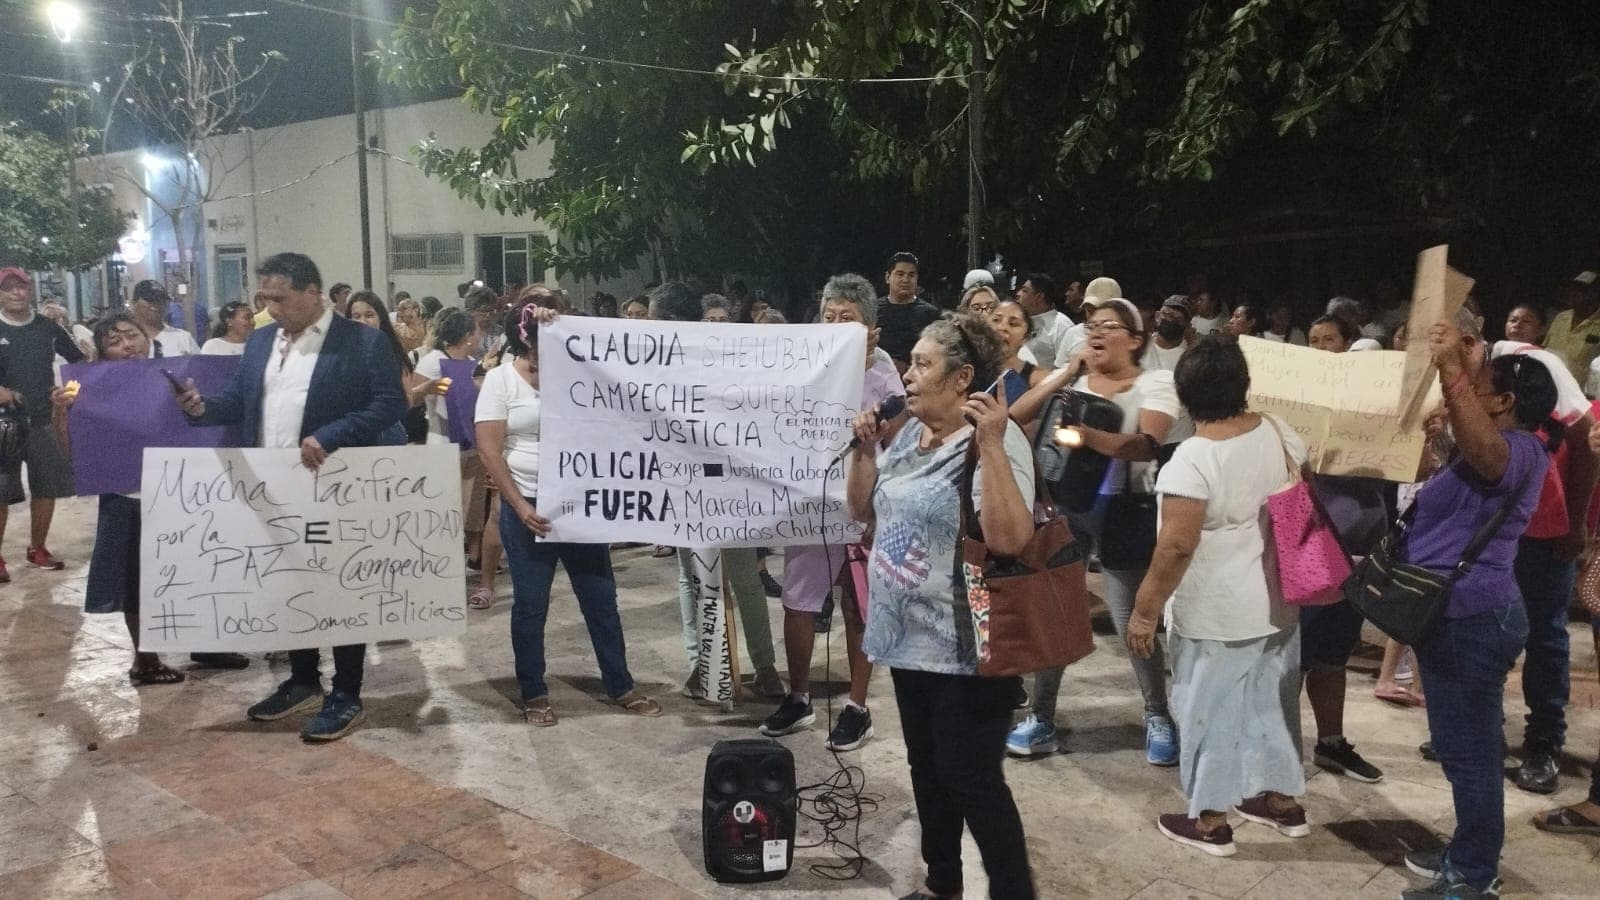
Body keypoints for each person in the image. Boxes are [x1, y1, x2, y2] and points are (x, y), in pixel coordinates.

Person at [175, 252, 407, 742]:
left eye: (280, 298)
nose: (270, 308)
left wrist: (333, 433)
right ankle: (303, 678)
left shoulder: (361, 343)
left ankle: (346, 692)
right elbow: (241, 400)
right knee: (289, 583)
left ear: (312, 293)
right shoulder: (261, 342)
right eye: (265, 298)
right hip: (272, 484)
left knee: (340, 588)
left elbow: (390, 402)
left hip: (334, 485)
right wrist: (201, 408)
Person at [850, 311, 1038, 900]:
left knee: (971, 779)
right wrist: (863, 451)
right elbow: (863, 512)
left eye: (922, 364)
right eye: (910, 362)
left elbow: (1011, 539)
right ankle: (943, 884)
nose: (907, 374)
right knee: (927, 773)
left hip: (967, 647)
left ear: (962, 379)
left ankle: (1013, 892)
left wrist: (991, 444)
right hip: (906, 641)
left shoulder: (996, 441)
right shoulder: (906, 433)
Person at [1125, 335, 1308, 858]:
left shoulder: (1192, 459)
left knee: (1208, 711)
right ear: (1243, 386)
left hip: (1217, 609)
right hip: (1278, 599)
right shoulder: (1280, 432)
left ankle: (1209, 819)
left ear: (1185, 396)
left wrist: (1144, 612)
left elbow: (1177, 545)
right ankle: (1280, 803)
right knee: (1271, 706)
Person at [1396, 321, 1558, 900]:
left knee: (1471, 756)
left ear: (1504, 401)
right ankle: (1466, 851)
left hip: (1472, 618)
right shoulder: (1494, 445)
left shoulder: (1517, 449)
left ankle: (1473, 875)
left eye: (1477, 379)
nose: (1463, 382)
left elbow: (1487, 457)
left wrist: (1449, 370)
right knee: (1464, 747)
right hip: (1458, 615)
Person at [473, 303, 662, 726]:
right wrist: (519, 507)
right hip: (528, 510)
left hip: (580, 508)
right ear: (526, 339)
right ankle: (534, 691)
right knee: (530, 605)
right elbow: (489, 448)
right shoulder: (502, 381)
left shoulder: (580, 374)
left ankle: (620, 684)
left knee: (601, 600)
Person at [1009, 298, 1180, 765]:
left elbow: (1145, 445)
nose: (1096, 332)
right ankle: (1042, 717)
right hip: (1069, 510)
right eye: (1091, 325)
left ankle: (1158, 715)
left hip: (1128, 511)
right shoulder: (1076, 380)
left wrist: (1084, 437)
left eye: (1109, 326)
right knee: (1057, 614)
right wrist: (1065, 374)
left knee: (1132, 621)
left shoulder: (1157, 382)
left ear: (1136, 339)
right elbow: (1016, 416)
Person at [55, 313, 250, 684]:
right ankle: (144, 660)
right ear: (102, 352)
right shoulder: (88, 389)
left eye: (133, 336)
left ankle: (206, 643)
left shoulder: (175, 375)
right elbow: (74, 453)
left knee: (198, 569)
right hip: (127, 497)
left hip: (182, 493)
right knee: (137, 581)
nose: (128, 345)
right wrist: (61, 412)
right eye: (115, 341)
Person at [760, 273, 903, 750]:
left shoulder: (883, 371)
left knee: (858, 605)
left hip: (862, 509)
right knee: (798, 602)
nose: (837, 325)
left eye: (849, 318)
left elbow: (896, 436)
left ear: (871, 330)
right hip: (808, 503)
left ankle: (857, 709)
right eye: (829, 316)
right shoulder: (799, 360)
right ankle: (798, 698)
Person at [1298, 321, 1390, 783]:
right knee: (1293, 651)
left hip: (1361, 546)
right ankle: (1274, 754)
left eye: (1329, 340)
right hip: (1308, 538)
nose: (1320, 348)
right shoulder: (1295, 407)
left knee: (1334, 651)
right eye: (1312, 341)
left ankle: (1331, 744)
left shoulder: (1377, 412)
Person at [0, 267, 84, 578]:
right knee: (1, 491)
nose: (15, 293)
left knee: (45, 488)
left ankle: (37, 548)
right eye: (8, 288)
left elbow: (80, 363)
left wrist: (69, 393)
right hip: (3, 426)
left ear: (30, 290)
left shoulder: (48, 328)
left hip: (42, 422)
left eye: (20, 287)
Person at [876, 252, 940, 373]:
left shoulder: (931, 314)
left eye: (911, 275)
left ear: (917, 279)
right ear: (887, 277)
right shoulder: (872, 310)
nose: (905, 279)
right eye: (900, 274)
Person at [1542, 271, 1600, 385]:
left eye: (1582, 290)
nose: (1573, 294)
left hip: (1580, 396)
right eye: (1573, 289)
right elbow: (1545, 349)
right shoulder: (1561, 317)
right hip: (1549, 389)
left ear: (1596, 294)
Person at [987, 297, 1053, 389]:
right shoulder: (968, 369)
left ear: (1026, 337)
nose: (1002, 327)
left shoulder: (1039, 379)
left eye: (1013, 324)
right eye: (996, 320)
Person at [129, 280, 200, 357]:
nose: (156, 305)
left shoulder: (183, 338)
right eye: (150, 300)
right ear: (134, 303)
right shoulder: (125, 341)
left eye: (160, 300)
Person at [1014, 273, 1073, 365]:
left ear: (1039, 296)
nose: (1018, 294)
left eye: (1025, 291)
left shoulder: (1061, 324)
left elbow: (1066, 366)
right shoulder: (1019, 321)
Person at [1144, 295, 1194, 373]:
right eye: (1169, 315)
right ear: (1157, 316)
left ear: (1187, 326)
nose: (1173, 321)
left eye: (1180, 319)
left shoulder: (1190, 357)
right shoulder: (1143, 345)